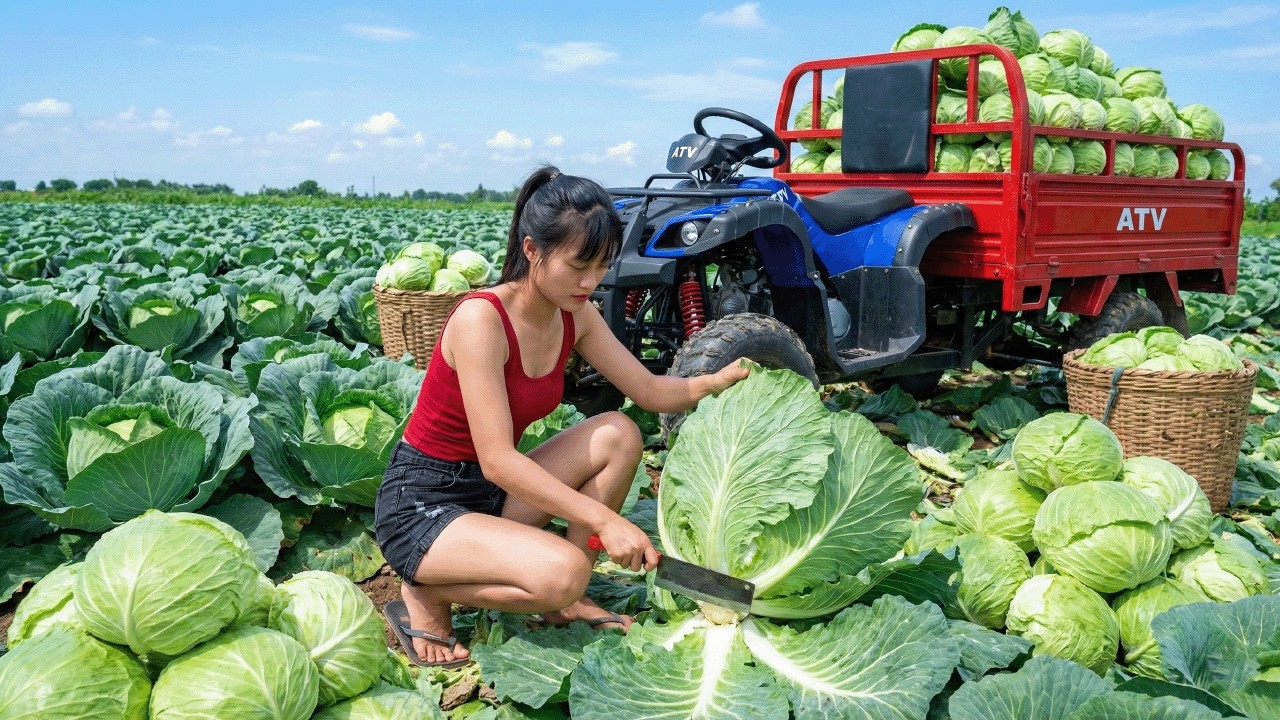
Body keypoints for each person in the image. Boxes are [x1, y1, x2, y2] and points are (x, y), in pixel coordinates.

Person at [375, 165, 751, 667]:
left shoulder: (576, 313)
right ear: (533, 250)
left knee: (618, 433)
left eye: (601, 266)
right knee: (562, 572)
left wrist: (716, 381)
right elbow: (498, 461)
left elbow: (648, 390)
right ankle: (427, 590)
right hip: (425, 502)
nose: (591, 281)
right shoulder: (480, 319)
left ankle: (569, 599)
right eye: (579, 266)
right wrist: (605, 520)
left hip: (492, 499)